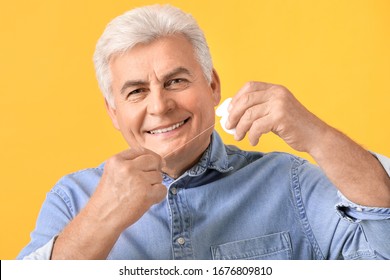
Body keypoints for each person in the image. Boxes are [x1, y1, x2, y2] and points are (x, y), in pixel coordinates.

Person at [17, 4, 390, 260]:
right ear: (114, 113)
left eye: (176, 80)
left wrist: (317, 135)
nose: (160, 106)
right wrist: (100, 219)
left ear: (212, 86)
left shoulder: (290, 184)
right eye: (136, 91)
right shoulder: (71, 200)